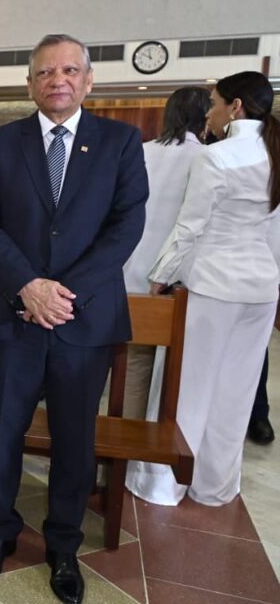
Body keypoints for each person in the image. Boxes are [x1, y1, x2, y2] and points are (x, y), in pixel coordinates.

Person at [0, 34, 147, 604]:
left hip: (84, 320)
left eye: (70, 70)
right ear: (30, 84)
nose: (57, 80)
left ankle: (64, 546)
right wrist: (27, 285)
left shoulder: (119, 142)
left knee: (75, 440)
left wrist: (61, 294)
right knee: (2, 438)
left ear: (89, 81)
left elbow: (126, 226)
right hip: (12, 316)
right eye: (45, 72)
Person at [126, 71, 280, 506]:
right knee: (236, 392)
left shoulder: (215, 157)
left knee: (186, 389)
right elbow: (275, 233)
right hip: (262, 288)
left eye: (214, 102)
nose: (209, 112)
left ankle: (162, 484)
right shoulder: (275, 152)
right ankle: (214, 487)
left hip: (214, 283)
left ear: (236, 107)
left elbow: (189, 228)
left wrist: (158, 277)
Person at [119, 87, 210, 418]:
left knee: (131, 369)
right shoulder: (208, 158)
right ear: (206, 116)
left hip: (129, 271)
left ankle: (120, 459)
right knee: (173, 376)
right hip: (178, 279)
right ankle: (148, 461)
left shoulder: (140, 151)